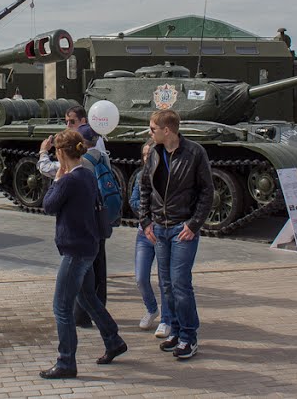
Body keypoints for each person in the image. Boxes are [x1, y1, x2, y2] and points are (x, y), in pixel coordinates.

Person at [39, 129, 126, 379]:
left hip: (74, 250)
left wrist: (56, 179)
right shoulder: (87, 174)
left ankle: (66, 361)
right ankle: (113, 339)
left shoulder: (69, 180)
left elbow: (49, 206)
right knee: (88, 298)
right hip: (89, 246)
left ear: (60, 153)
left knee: (62, 308)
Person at [139, 109, 213, 360]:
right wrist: (145, 221)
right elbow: (145, 187)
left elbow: (206, 192)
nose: (150, 133)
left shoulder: (194, 153)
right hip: (159, 227)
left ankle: (189, 337)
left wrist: (194, 224)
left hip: (182, 228)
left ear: (166, 130)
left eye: (152, 129)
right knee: (167, 284)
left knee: (181, 284)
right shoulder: (155, 153)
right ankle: (176, 331)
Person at [130, 138, 170, 336]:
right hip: (144, 232)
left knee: (165, 279)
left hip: (163, 232)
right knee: (140, 277)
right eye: (144, 155)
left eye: (150, 154)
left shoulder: (167, 174)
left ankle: (166, 319)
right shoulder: (140, 176)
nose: (147, 158)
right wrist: (148, 214)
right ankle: (152, 308)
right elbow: (134, 200)